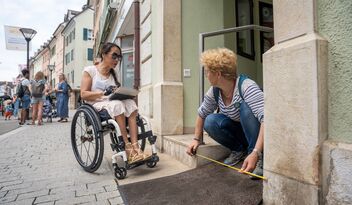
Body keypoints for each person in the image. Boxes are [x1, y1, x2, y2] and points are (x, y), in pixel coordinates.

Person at [186, 48, 264, 177]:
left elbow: (266, 119)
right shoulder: (214, 91)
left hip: (258, 136)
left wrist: (256, 152)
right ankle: (239, 150)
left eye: (207, 72)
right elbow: (202, 114)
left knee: (245, 107)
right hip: (242, 133)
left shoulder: (246, 86)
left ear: (218, 74)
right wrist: (196, 139)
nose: (206, 76)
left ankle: (261, 158)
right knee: (210, 120)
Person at [80, 42, 150, 163]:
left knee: (130, 103)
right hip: (95, 105)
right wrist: (102, 93)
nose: (117, 60)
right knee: (117, 105)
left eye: (119, 57)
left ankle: (136, 147)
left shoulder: (113, 74)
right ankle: (127, 147)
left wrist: (122, 93)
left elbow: (114, 93)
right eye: (114, 56)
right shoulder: (90, 71)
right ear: (104, 54)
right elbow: (83, 94)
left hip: (111, 102)